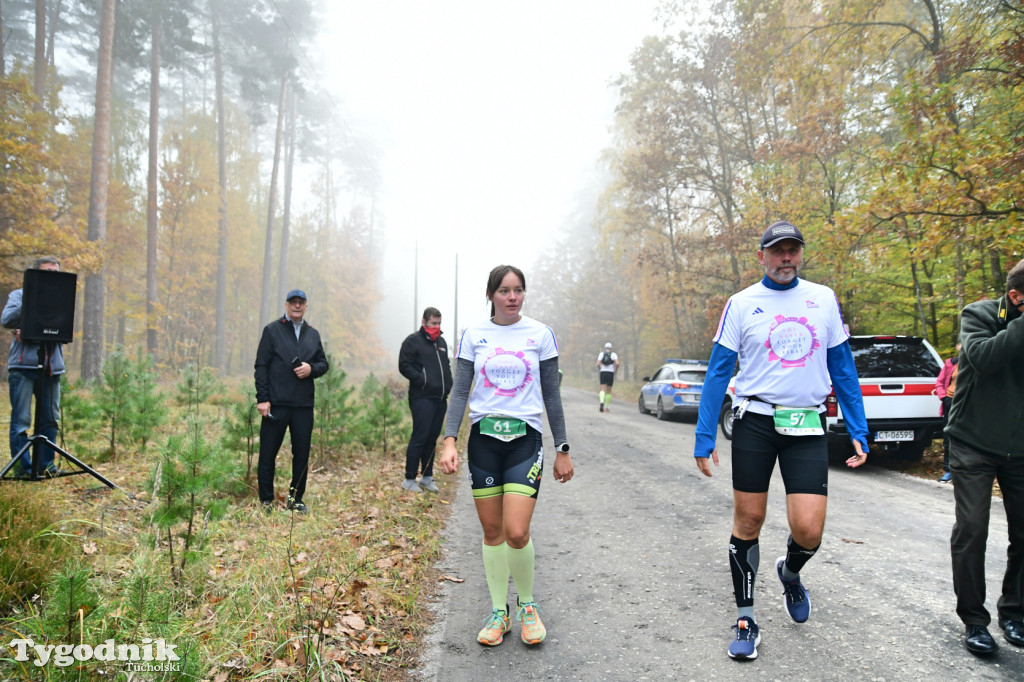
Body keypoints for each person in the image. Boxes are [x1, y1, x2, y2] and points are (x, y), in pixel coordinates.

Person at [692, 221, 869, 661]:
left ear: (800, 254)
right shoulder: (742, 304)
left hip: (807, 424)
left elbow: (843, 369)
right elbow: (718, 372)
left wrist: (858, 429)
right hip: (755, 421)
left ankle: (790, 572)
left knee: (809, 529)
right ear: (762, 257)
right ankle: (747, 618)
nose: (786, 257)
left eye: (793, 250)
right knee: (748, 520)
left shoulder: (822, 299)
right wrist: (704, 434)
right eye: (778, 250)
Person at [439, 264, 574, 647]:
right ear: (491, 295)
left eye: (518, 290)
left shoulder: (540, 334)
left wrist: (562, 448)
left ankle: (528, 606)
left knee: (516, 531)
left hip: (524, 441)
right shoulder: (473, 335)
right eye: (504, 290)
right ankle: (500, 612)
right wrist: (450, 440)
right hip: (483, 440)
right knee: (492, 532)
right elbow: (461, 392)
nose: (512, 297)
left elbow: (551, 394)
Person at [946, 257, 1024, 657]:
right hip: (972, 441)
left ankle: (1015, 613)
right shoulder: (978, 314)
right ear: (1015, 297)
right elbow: (984, 358)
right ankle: (975, 621)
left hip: (1020, 449)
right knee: (973, 529)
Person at [254, 289, 329, 514]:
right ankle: (266, 500)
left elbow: (323, 364)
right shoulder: (272, 330)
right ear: (286, 305)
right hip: (275, 404)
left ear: (306, 306)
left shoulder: (312, 334)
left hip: (303, 406)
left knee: (302, 455)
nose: (297, 306)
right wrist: (262, 399)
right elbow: (261, 366)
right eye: (293, 302)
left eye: (301, 303)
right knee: (268, 452)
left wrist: (311, 368)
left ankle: (296, 499)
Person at [2, 256, 65, 477]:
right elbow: (7, 319)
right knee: (21, 420)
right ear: (36, 274)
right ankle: (22, 469)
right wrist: (31, 298)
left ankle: (45, 467)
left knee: (50, 419)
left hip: (51, 367)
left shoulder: (62, 298)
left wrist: (28, 330)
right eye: (47, 271)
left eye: (55, 272)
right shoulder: (19, 295)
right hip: (23, 367)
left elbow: (64, 328)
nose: (52, 277)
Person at [398, 306, 453, 493]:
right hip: (422, 397)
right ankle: (409, 479)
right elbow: (404, 365)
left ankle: (427, 477)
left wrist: (449, 382)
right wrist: (422, 379)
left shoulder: (442, 342)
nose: (436, 327)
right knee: (420, 437)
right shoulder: (413, 341)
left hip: (440, 398)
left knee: (432, 438)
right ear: (424, 322)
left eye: (439, 324)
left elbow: (446, 366)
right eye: (433, 323)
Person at [935, 342, 961, 483]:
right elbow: (939, 382)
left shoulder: (976, 363)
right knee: (948, 437)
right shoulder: (951, 363)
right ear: (958, 346)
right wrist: (944, 397)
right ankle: (948, 471)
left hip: (968, 405)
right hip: (950, 402)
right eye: (961, 344)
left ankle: (964, 471)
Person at [596, 342, 619, 412]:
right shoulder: (613, 354)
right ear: (611, 348)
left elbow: (598, 363)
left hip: (603, 372)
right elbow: (617, 363)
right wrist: (616, 370)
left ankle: (601, 401)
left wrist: (600, 368)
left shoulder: (601, 354)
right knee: (608, 390)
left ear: (605, 348)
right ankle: (606, 407)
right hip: (610, 372)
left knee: (602, 389)